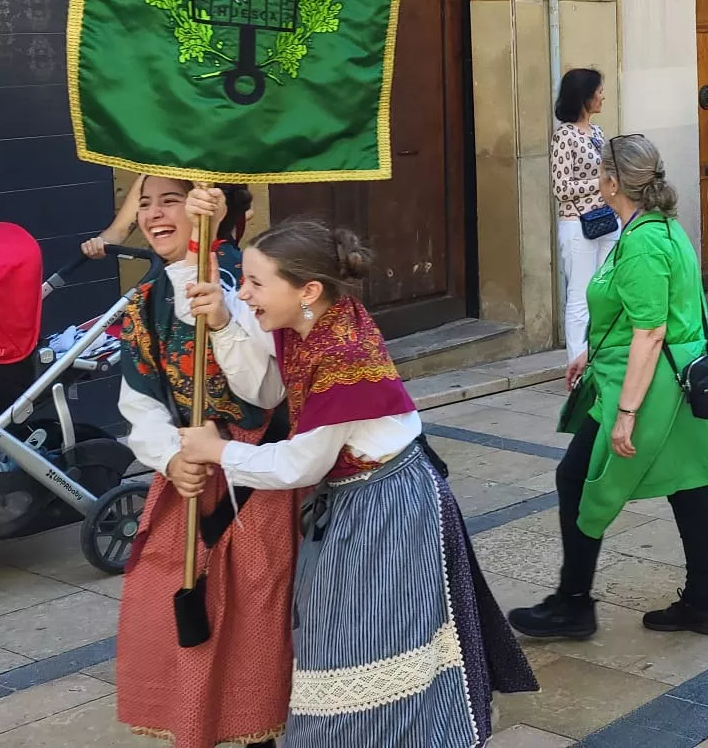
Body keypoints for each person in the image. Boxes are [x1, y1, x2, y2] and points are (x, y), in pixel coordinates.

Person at [177, 214, 536, 746]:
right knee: (338, 637)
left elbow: (302, 464)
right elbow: (269, 389)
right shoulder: (310, 322)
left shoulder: (343, 353)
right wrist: (227, 322)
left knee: (366, 641)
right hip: (353, 501)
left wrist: (219, 451)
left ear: (309, 289)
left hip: (388, 506)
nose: (245, 292)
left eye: (254, 282)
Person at [510, 134, 708, 640]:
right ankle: (701, 604)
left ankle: (574, 604)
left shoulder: (641, 242)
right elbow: (649, 315)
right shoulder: (659, 228)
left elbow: (651, 330)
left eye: (601, 171)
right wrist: (590, 353)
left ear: (615, 182)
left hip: (652, 388)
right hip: (680, 380)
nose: (597, 177)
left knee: (577, 478)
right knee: (690, 490)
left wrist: (625, 413)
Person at [98, 179, 291, 748]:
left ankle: (260, 732)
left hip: (258, 483)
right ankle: (203, 726)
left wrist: (228, 319)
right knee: (185, 620)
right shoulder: (146, 298)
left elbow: (268, 389)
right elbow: (140, 402)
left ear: (212, 202)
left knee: (257, 623)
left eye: (171, 199)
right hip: (190, 481)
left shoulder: (249, 278)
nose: (155, 214)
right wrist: (171, 455)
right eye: (146, 201)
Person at [552, 68, 616, 360]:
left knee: (605, 292)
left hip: (606, 220)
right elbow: (561, 188)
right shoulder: (564, 135)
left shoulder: (598, 132)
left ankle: (600, 355)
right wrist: (601, 183)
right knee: (579, 296)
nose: (603, 95)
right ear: (585, 96)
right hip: (578, 224)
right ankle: (577, 363)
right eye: (598, 90)